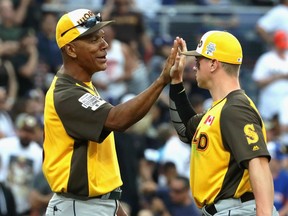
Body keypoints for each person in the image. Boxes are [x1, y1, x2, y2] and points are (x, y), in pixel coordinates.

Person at [42, 8, 178, 216]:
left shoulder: (83, 85)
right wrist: (161, 81)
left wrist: (114, 208)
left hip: (91, 205)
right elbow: (117, 120)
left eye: (102, 37)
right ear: (71, 50)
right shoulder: (66, 93)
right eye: (93, 39)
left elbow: (96, 169)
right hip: (79, 206)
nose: (104, 45)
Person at [168, 31, 278, 215]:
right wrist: (176, 80)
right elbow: (184, 129)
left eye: (198, 61)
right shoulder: (219, 109)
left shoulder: (236, 108)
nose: (194, 67)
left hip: (238, 209)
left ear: (213, 64)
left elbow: (258, 163)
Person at [252, 30, 288, 122]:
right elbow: (257, 81)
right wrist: (278, 76)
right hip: (269, 104)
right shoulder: (266, 59)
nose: (283, 49)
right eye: (281, 47)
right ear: (275, 44)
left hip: (285, 105)